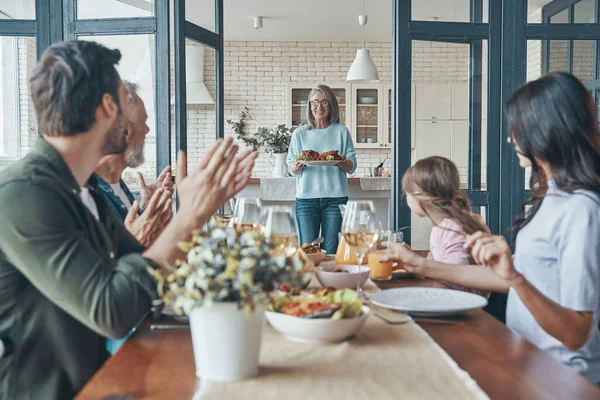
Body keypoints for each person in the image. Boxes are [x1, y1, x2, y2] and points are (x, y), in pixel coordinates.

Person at [0, 40, 257, 399]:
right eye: (125, 97)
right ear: (108, 106)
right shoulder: (23, 194)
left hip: (100, 382)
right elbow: (113, 309)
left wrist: (197, 213)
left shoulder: (82, 186)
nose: (136, 118)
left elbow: (137, 269)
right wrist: (190, 214)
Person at [383, 72, 600, 383]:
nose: (512, 138)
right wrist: (421, 264)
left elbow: (577, 332)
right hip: (524, 357)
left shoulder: (581, 209)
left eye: (518, 128)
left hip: (561, 378)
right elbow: (508, 279)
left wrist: (516, 277)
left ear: (546, 130)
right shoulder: (550, 197)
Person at [95, 80, 174, 248]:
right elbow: (106, 268)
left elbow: (134, 234)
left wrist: (147, 207)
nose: (147, 130)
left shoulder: (117, 184)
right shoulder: (87, 196)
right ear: (126, 132)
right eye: (143, 121)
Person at [401, 156, 489, 296]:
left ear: (423, 197)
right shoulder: (446, 225)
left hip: (462, 307)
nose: (406, 200)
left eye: (407, 194)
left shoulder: (450, 229)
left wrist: (425, 267)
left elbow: (458, 282)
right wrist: (425, 262)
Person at [286, 85, 357, 254]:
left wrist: (340, 161)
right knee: (308, 250)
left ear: (331, 104)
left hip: (335, 199)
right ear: (310, 106)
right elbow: (290, 167)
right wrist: (296, 166)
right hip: (306, 199)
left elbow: (352, 166)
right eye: (315, 102)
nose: (319, 106)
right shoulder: (299, 133)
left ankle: (329, 280)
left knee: (331, 250)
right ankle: (310, 281)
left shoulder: (341, 131)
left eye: (324, 102)